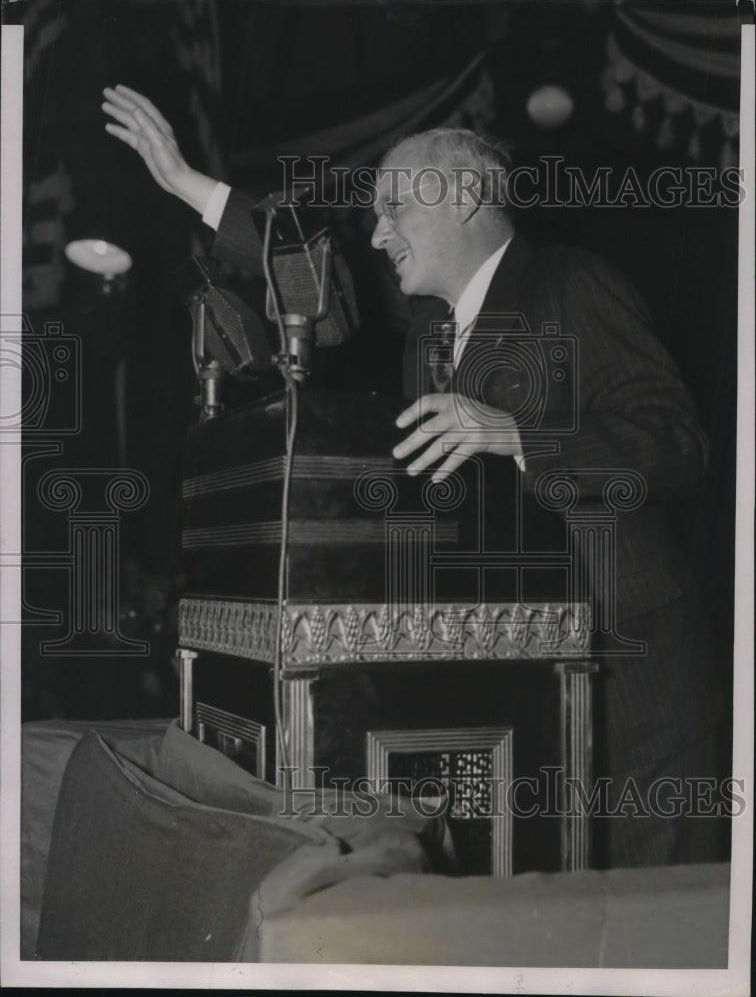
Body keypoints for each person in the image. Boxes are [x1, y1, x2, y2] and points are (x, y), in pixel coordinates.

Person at [102, 84, 725, 869]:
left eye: (396, 205)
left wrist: (516, 434)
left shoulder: (569, 284)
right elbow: (328, 289)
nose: (378, 230)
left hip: (630, 672)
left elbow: (678, 442)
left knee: (647, 929)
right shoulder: (429, 335)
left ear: (465, 197)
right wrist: (192, 185)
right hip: (522, 686)